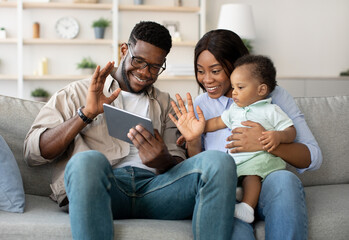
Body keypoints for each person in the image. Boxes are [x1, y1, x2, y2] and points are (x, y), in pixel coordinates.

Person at [23, 21, 237, 240]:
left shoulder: (165, 104)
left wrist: (161, 159)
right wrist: (85, 114)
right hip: (105, 188)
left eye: (155, 66)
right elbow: (33, 153)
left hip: (156, 190)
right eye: (139, 61)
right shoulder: (78, 92)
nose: (145, 72)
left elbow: (179, 169)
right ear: (124, 50)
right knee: (86, 161)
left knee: (219, 162)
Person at [169, 29, 322, 239]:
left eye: (215, 71)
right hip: (227, 191)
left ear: (236, 66)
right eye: (200, 71)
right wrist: (193, 139)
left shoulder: (271, 96)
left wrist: (266, 142)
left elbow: (313, 158)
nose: (207, 80)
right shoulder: (200, 107)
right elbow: (199, 173)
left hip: (268, 182)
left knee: (285, 180)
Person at [203, 55, 296, 223]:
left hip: (261, 159)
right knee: (228, 177)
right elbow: (217, 122)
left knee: (251, 176)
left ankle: (247, 207)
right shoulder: (234, 110)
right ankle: (235, 199)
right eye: (233, 87)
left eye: (240, 87)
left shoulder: (270, 110)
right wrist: (198, 126)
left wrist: (278, 136)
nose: (234, 92)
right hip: (238, 162)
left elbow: (290, 130)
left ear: (261, 90)